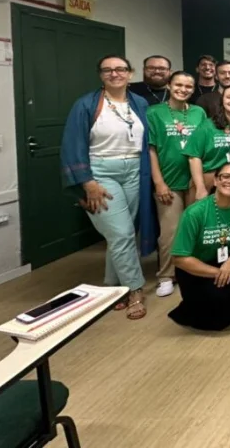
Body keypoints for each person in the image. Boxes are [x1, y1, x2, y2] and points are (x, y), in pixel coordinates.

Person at [60, 55, 153, 320]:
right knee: (121, 233)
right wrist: (87, 182)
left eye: (120, 69)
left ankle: (112, 287)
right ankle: (135, 289)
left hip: (135, 170)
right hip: (101, 172)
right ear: (101, 75)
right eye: (108, 70)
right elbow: (72, 144)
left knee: (123, 233)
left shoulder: (140, 103)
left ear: (130, 73)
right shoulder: (85, 105)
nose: (115, 74)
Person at [168, 162, 230, 331]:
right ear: (216, 181)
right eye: (225, 176)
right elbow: (180, 259)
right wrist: (219, 273)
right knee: (218, 321)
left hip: (228, 261)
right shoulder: (195, 212)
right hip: (197, 269)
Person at [147, 71, 207, 298]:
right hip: (169, 181)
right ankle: (166, 275)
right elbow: (151, 149)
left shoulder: (198, 113)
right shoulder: (155, 113)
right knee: (170, 231)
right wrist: (159, 182)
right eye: (179, 85)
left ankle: (190, 271)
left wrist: (201, 182)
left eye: (188, 86)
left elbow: (202, 146)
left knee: (195, 229)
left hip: (193, 180)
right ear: (169, 86)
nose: (183, 89)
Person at [184, 85, 230, 202]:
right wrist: (200, 187)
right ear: (222, 100)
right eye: (229, 97)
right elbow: (194, 157)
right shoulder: (206, 125)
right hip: (208, 179)